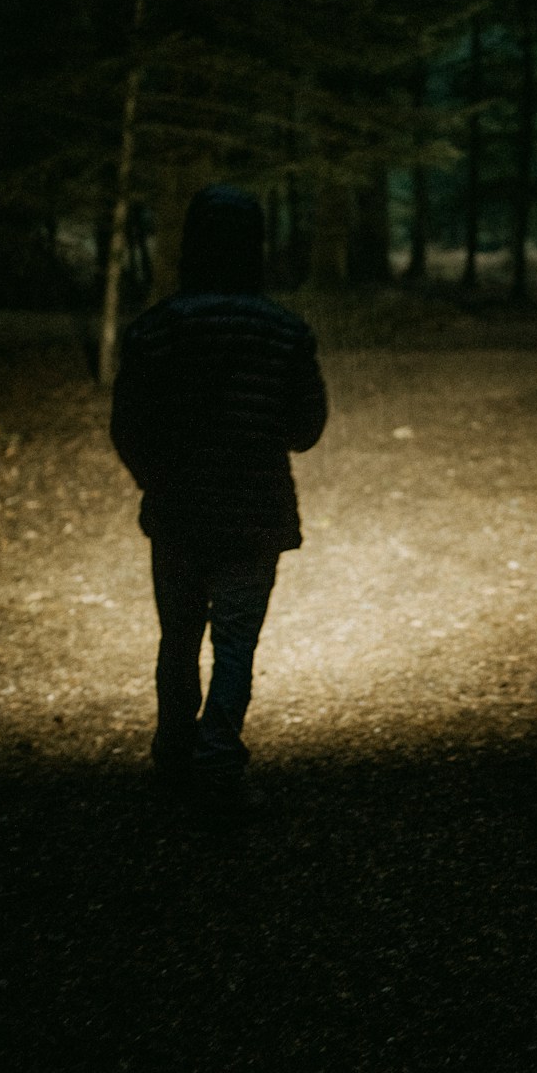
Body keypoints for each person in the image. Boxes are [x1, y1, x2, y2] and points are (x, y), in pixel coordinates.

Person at [109, 184, 328, 821]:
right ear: (255, 246)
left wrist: (155, 478)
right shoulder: (286, 332)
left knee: (178, 639)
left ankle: (174, 756)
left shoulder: (156, 329)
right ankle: (219, 762)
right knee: (235, 645)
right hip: (255, 514)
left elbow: (128, 425)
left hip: (178, 512)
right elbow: (305, 430)